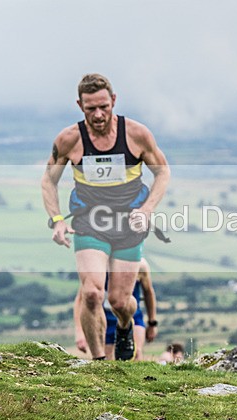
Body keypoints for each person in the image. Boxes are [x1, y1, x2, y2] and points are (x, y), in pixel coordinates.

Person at [42, 73, 170, 361]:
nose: (98, 115)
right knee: (90, 294)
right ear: (80, 105)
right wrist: (58, 220)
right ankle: (99, 362)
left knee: (120, 301)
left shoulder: (136, 134)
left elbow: (163, 172)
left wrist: (147, 209)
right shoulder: (69, 140)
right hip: (89, 223)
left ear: (113, 100)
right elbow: (48, 181)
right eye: (90, 109)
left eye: (104, 106)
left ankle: (125, 325)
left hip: (128, 225)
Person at [73, 258, 158, 360]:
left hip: (133, 317)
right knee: (108, 362)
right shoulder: (96, 266)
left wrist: (152, 323)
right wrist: (79, 332)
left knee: (135, 355)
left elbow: (148, 293)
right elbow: (81, 299)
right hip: (106, 320)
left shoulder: (140, 265)